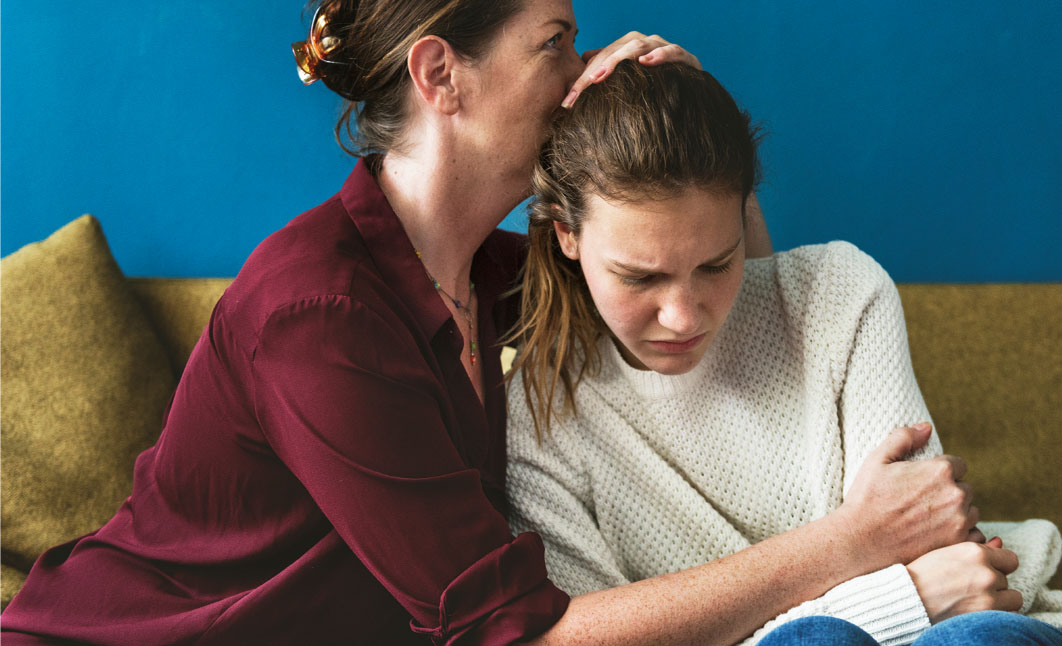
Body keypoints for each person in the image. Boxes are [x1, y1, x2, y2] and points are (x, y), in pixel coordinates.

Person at [0, 2, 995, 645]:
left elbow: (747, 322)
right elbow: (514, 638)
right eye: (555, 41)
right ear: (441, 76)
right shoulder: (317, 313)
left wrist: (685, 127)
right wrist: (851, 545)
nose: (584, 68)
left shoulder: (507, 279)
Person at [505, 60, 1062, 645]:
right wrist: (906, 597)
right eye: (640, 278)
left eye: (717, 264)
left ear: (746, 214)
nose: (684, 316)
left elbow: (937, 553)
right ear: (567, 234)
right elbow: (927, 585)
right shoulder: (538, 417)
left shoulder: (836, 295)